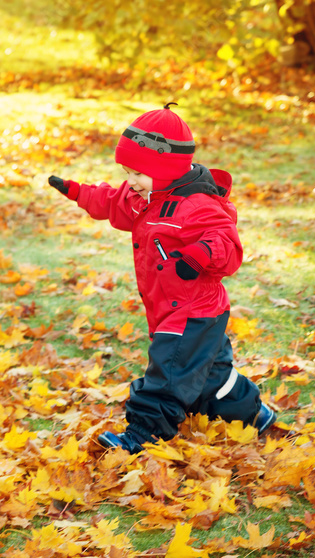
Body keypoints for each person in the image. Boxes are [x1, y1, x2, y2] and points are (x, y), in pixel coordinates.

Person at [48, 104, 275, 454]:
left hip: (193, 311)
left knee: (168, 375)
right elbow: (112, 201)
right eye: (127, 171)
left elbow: (226, 244)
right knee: (210, 379)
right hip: (170, 307)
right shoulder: (146, 196)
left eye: (138, 173)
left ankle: (143, 433)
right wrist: (79, 192)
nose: (131, 180)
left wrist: (198, 256)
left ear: (166, 169)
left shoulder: (196, 204)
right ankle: (252, 414)